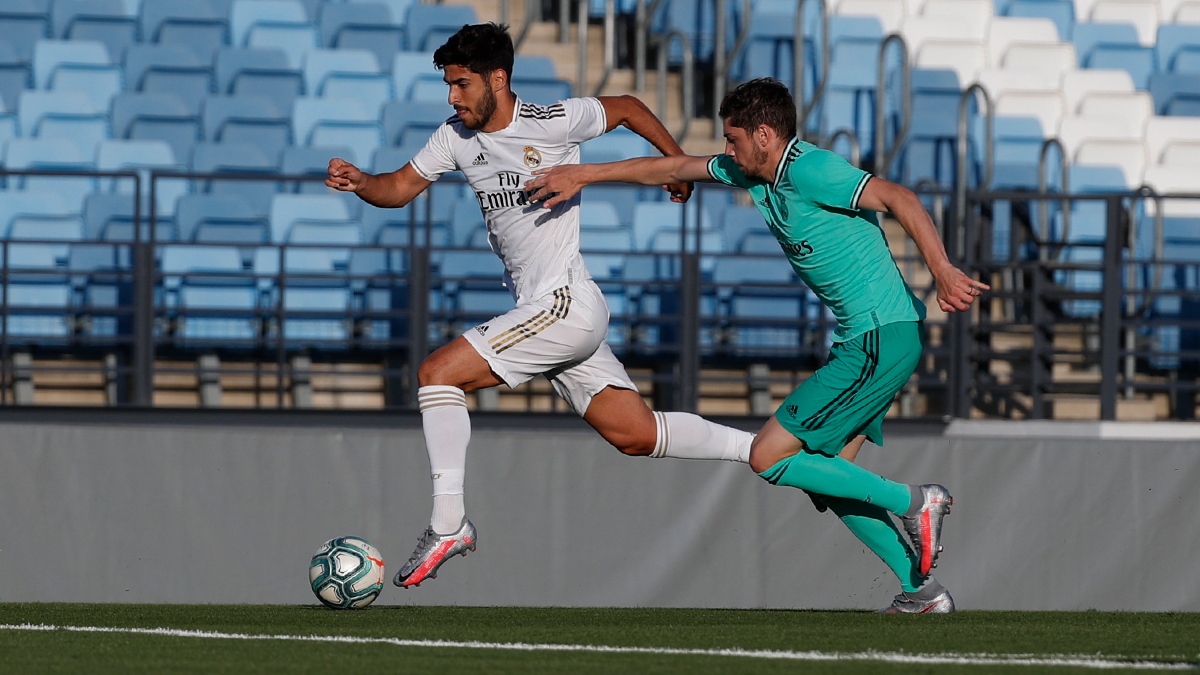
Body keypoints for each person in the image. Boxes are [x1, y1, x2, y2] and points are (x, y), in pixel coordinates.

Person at [525, 77, 990, 614]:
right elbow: (672, 167)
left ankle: (917, 502)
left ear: (764, 135)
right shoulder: (757, 174)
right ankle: (923, 590)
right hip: (873, 339)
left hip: (879, 338)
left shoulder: (810, 169)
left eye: (733, 138)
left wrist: (943, 271)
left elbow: (898, 197)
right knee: (832, 478)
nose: (726, 150)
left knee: (768, 455)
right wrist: (584, 174)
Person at [326, 23, 759, 590]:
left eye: (460, 84)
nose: (451, 97)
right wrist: (362, 182)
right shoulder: (454, 137)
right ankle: (767, 450)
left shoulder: (552, 122)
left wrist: (676, 165)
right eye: (448, 86)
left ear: (497, 79)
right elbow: (399, 188)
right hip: (548, 312)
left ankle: (448, 523)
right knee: (634, 434)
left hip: (565, 305)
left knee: (436, 376)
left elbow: (627, 107)